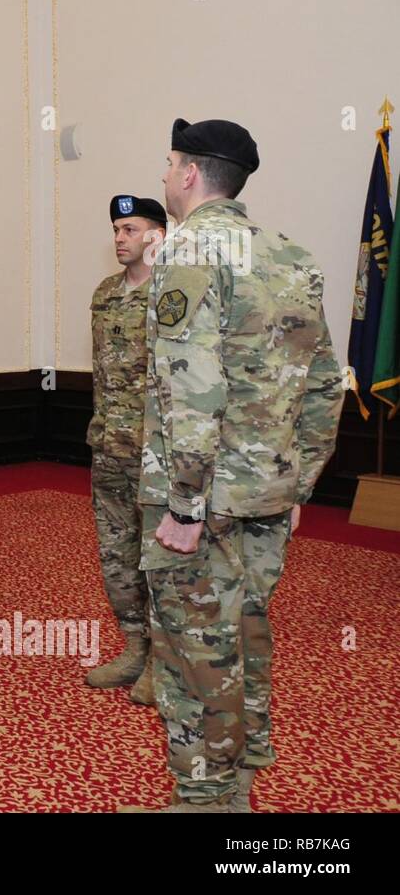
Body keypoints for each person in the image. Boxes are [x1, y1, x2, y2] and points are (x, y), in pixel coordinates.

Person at [124, 119, 343, 813]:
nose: (163, 176)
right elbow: (327, 382)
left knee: (194, 649)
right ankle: (245, 767)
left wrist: (185, 505)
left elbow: (192, 388)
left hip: (203, 496)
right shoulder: (290, 256)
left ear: (190, 175)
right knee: (245, 626)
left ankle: (206, 799)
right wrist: (298, 477)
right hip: (266, 489)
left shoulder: (187, 250)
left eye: (167, 165)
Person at [85, 195, 166, 706]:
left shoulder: (175, 292)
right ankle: (135, 647)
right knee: (118, 555)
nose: (119, 238)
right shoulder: (105, 293)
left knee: (159, 559)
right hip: (109, 444)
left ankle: (164, 661)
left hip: (157, 453)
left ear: (156, 236)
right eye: (116, 229)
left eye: (130, 229)